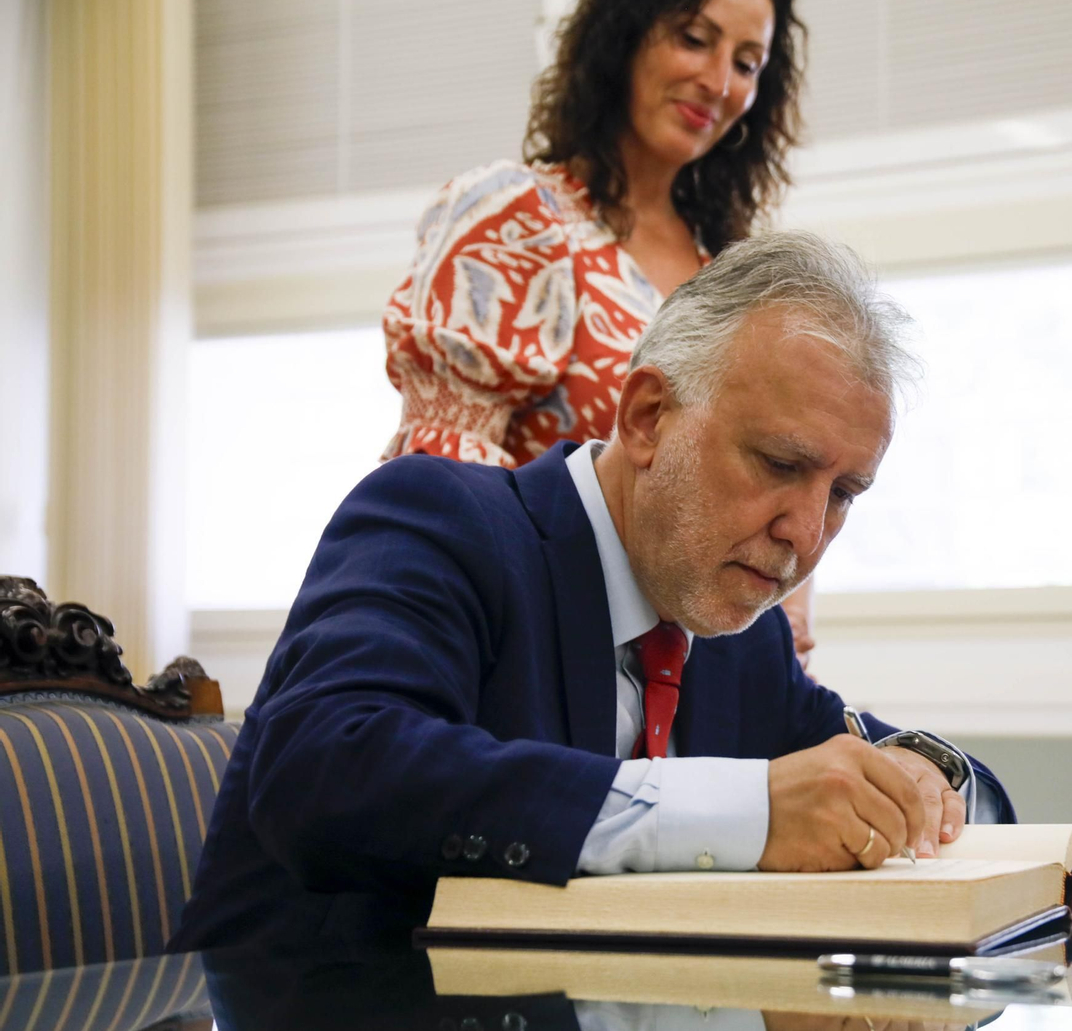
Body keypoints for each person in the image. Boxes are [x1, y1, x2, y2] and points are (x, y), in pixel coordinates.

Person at [171, 232, 1014, 953]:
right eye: (782, 465)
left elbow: (884, 769)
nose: (806, 532)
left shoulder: (738, 631)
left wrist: (926, 780)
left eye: (843, 494)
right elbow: (326, 772)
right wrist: (742, 812)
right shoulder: (440, 518)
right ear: (647, 417)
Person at [379, 0, 820, 663]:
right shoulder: (518, 216)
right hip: (517, 649)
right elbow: (444, 473)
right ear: (625, 38)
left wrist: (777, 618)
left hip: (691, 682)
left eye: (745, 63)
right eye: (694, 38)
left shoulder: (732, 276)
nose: (717, 81)